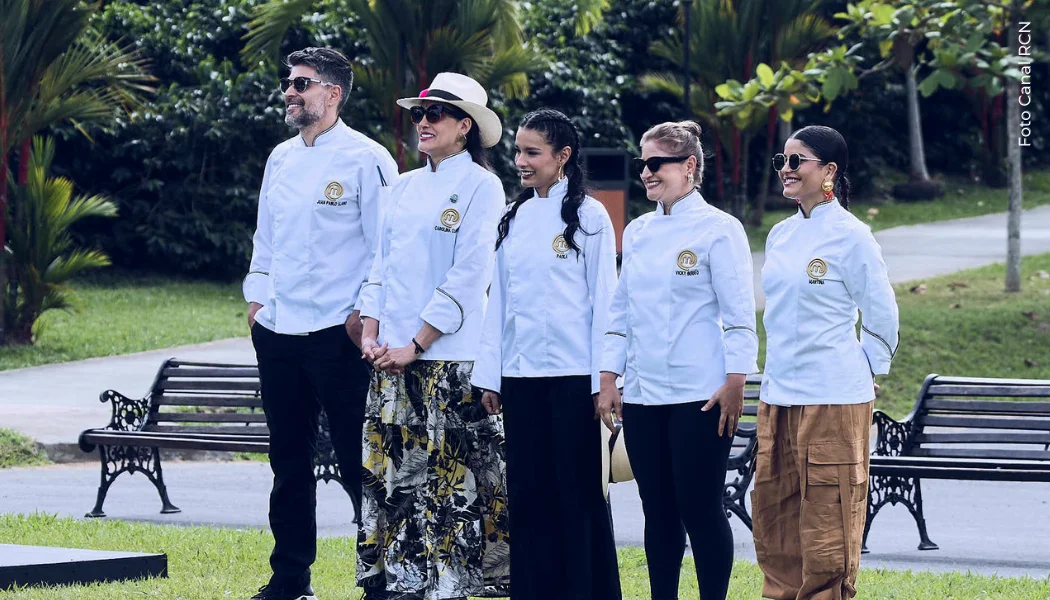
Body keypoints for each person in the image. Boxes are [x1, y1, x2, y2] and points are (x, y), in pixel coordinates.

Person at [243, 47, 398, 600]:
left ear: (332, 93)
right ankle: (289, 580)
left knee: (362, 464)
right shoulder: (280, 158)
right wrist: (257, 300)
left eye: (302, 83)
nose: (290, 90)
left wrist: (364, 314)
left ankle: (379, 581)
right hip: (279, 331)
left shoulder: (369, 158)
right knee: (287, 461)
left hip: (340, 334)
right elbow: (265, 239)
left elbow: (387, 248)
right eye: (289, 81)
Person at [354, 72, 510, 600]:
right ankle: (397, 584)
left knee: (449, 485)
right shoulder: (401, 185)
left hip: (448, 360)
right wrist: (371, 335)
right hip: (389, 360)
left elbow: (468, 277)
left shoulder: (482, 187)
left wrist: (416, 344)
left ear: (464, 126)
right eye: (418, 113)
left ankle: (453, 586)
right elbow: (378, 268)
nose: (422, 122)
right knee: (396, 482)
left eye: (435, 114)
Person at [597, 120, 759, 600]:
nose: (645, 173)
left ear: (689, 166)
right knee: (658, 511)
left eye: (655, 164)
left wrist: (737, 381)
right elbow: (620, 311)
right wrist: (609, 376)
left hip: (701, 396)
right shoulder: (641, 230)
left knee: (701, 508)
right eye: (641, 164)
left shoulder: (720, 229)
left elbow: (738, 315)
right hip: (644, 395)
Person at [471, 108, 622, 600]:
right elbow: (499, 304)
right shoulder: (512, 218)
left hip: (574, 379)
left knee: (575, 492)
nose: (520, 160)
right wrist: (490, 375)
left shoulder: (589, 215)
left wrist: (606, 379)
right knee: (529, 495)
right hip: (521, 378)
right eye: (517, 151)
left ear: (563, 157)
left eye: (532, 152)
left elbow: (606, 301)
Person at [752, 125, 899, 600]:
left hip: (833, 398)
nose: (786, 170)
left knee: (827, 523)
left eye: (798, 161)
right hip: (779, 395)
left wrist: (867, 370)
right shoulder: (780, 235)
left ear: (829, 171)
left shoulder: (852, 236)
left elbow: (882, 314)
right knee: (774, 515)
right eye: (782, 161)